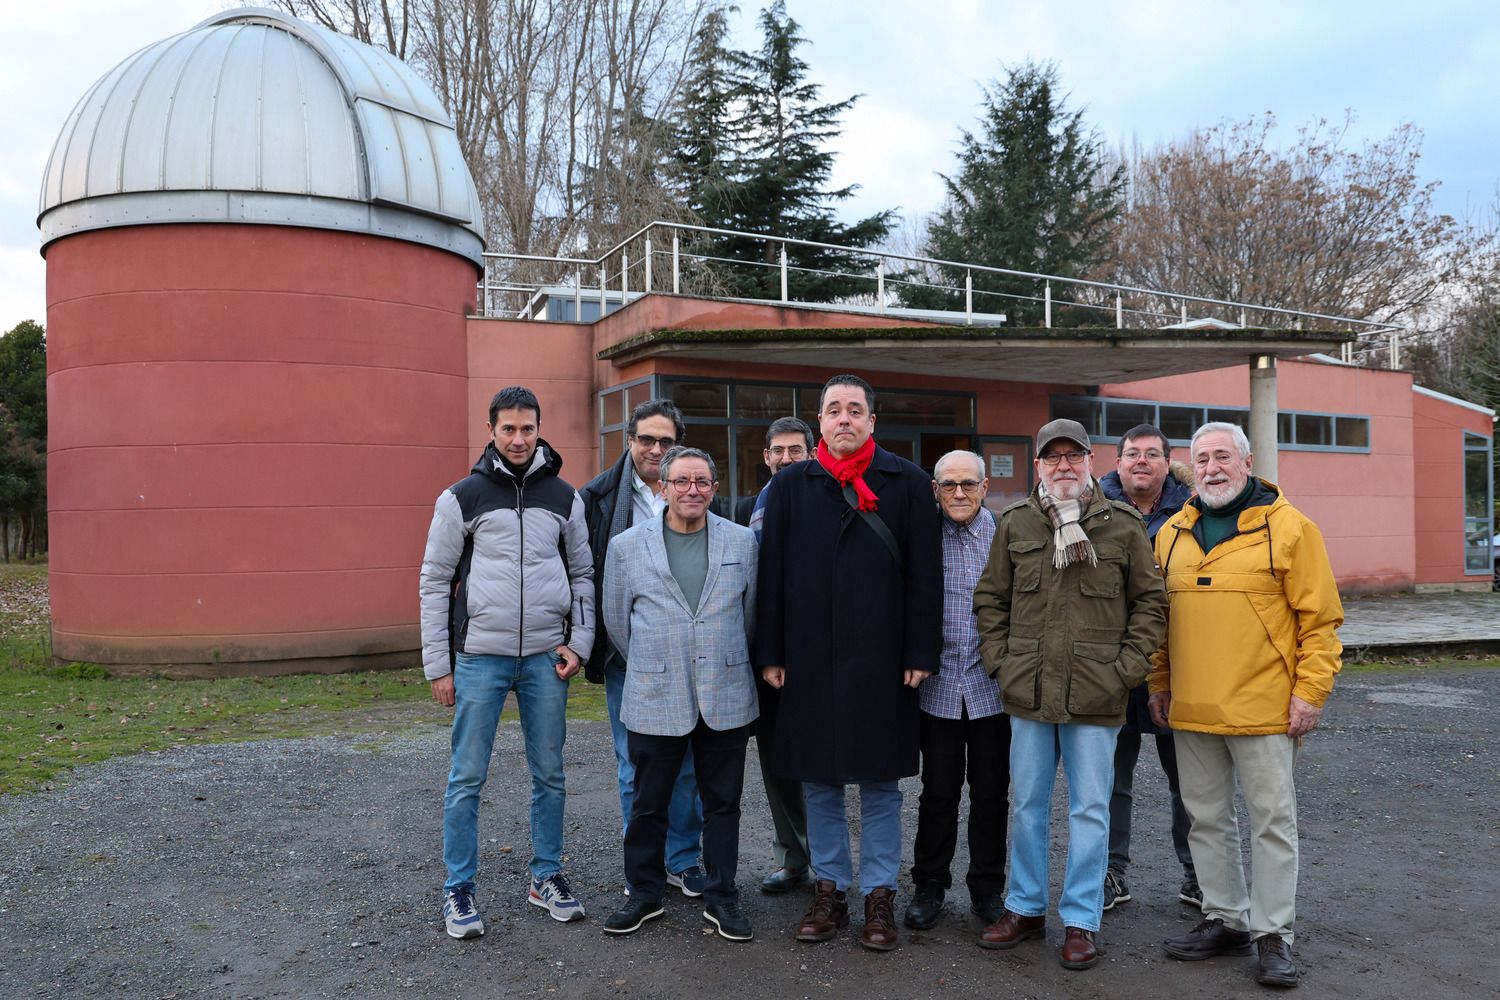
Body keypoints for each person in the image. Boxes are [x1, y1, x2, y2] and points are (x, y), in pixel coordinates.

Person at [1150, 422, 1343, 989]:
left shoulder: (1289, 528)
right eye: (1201, 458)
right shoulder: (1173, 533)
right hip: (1191, 706)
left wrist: (1310, 693)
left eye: (1222, 457)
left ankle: (1274, 933)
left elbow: (1322, 622)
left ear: (1247, 461)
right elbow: (1160, 622)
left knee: (1271, 824)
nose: (1211, 467)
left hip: (1265, 707)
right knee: (1204, 819)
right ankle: (1226, 918)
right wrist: (1159, 683)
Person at [755, 374, 942, 952]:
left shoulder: (907, 482)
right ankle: (829, 887)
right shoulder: (790, 486)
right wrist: (772, 652)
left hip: (883, 658)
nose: (843, 419)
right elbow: (773, 577)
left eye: (854, 410)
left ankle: (880, 894)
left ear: (871, 421)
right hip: (809, 656)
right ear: (820, 419)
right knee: (820, 779)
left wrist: (920, 650)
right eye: (833, 410)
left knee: (882, 782)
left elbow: (924, 574)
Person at [972, 417, 1166, 971]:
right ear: (1038, 465)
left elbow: (1150, 605)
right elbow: (991, 601)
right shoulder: (1015, 524)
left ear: (1088, 462)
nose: (1063, 466)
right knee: (1027, 807)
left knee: (1089, 811)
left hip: (1096, 696)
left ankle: (1081, 920)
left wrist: (1125, 670)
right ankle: (1025, 907)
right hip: (1029, 692)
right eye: (1052, 457)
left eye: (1073, 456)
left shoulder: (1123, 526)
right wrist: (1002, 665)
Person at [418, 386, 594, 939]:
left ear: (539, 429)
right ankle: (459, 888)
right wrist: (438, 665)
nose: (519, 439)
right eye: (508, 429)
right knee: (467, 777)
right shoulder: (461, 497)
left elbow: (584, 574)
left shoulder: (566, 498)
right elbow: (434, 581)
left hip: (546, 658)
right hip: (478, 659)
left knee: (551, 774)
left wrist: (580, 642)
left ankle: (546, 877)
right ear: (490, 430)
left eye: (528, 428)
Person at [600, 447, 760, 941]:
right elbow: (616, 620)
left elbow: (751, 618)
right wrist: (656, 662)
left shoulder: (743, 541)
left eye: (703, 482)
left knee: (723, 805)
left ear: (714, 488)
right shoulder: (627, 546)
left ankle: (721, 895)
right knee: (649, 803)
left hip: (725, 692)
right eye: (682, 481)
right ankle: (644, 894)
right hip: (654, 693)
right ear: (664, 487)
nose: (693, 490)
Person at [578, 400, 706, 896]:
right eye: (646, 439)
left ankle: (683, 858)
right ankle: (644, 864)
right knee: (635, 762)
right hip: (626, 656)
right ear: (629, 441)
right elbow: (589, 577)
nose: (655, 449)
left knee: (688, 763)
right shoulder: (597, 497)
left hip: (688, 655)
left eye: (666, 441)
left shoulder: (694, 490)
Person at [903, 451, 1011, 932]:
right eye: (949, 485)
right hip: (939, 684)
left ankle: (987, 889)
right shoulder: (921, 536)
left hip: (994, 689)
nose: (960, 493)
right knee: (938, 791)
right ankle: (930, 885)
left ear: (986, 487)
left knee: (992, 794)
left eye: (969, 484)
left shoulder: (1009, 536)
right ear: (935, 489)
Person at [1097, 424, 1199, 911]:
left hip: (1180, 667)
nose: (1141, 461)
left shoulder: (1195, 511)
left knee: (1191, 781)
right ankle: (1112, 873)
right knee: (1110, 782)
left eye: (1152, 454)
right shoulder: (1091, 512)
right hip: (1111, 669)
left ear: (1166, 463)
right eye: (1132, 453)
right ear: (1117, 462)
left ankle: (1198, 874)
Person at [743, 417, 817, 894]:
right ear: (767, 457)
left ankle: (830, 863)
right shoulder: (751, 508)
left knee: (820, 761)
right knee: (776, 760)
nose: (786, 458)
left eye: (795, 450)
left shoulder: (828, 501)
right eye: (778, 451)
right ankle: (792, 857)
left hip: (814, 652)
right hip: (765, 654)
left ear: (811, 454)